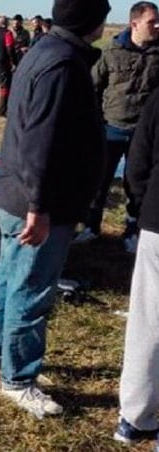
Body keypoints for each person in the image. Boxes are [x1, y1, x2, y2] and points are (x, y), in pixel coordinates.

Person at [0, 0, 109, 418]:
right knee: (31, 291)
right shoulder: (63, 64)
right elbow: (40, 139)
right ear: (93, 20)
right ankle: (18, 380)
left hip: (18, 193)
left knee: (10, 280)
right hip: (37, 201)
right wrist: (40, 206)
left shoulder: (46, 51)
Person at [75, 1, 159, 253]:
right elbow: (93, 87)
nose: (157, 26)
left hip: (143, 134)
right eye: (151, 22)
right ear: (134, 23)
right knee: (99, 179)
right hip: (111, 127)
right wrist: (94, 122)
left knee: (137, 184)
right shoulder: (111, 51)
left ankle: (133, 230)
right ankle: (91, 226)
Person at [114, 83, 159, 449]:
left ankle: (134, 416)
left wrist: (144, 206)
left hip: (156, 224)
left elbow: (138, 162)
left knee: (147, 321)